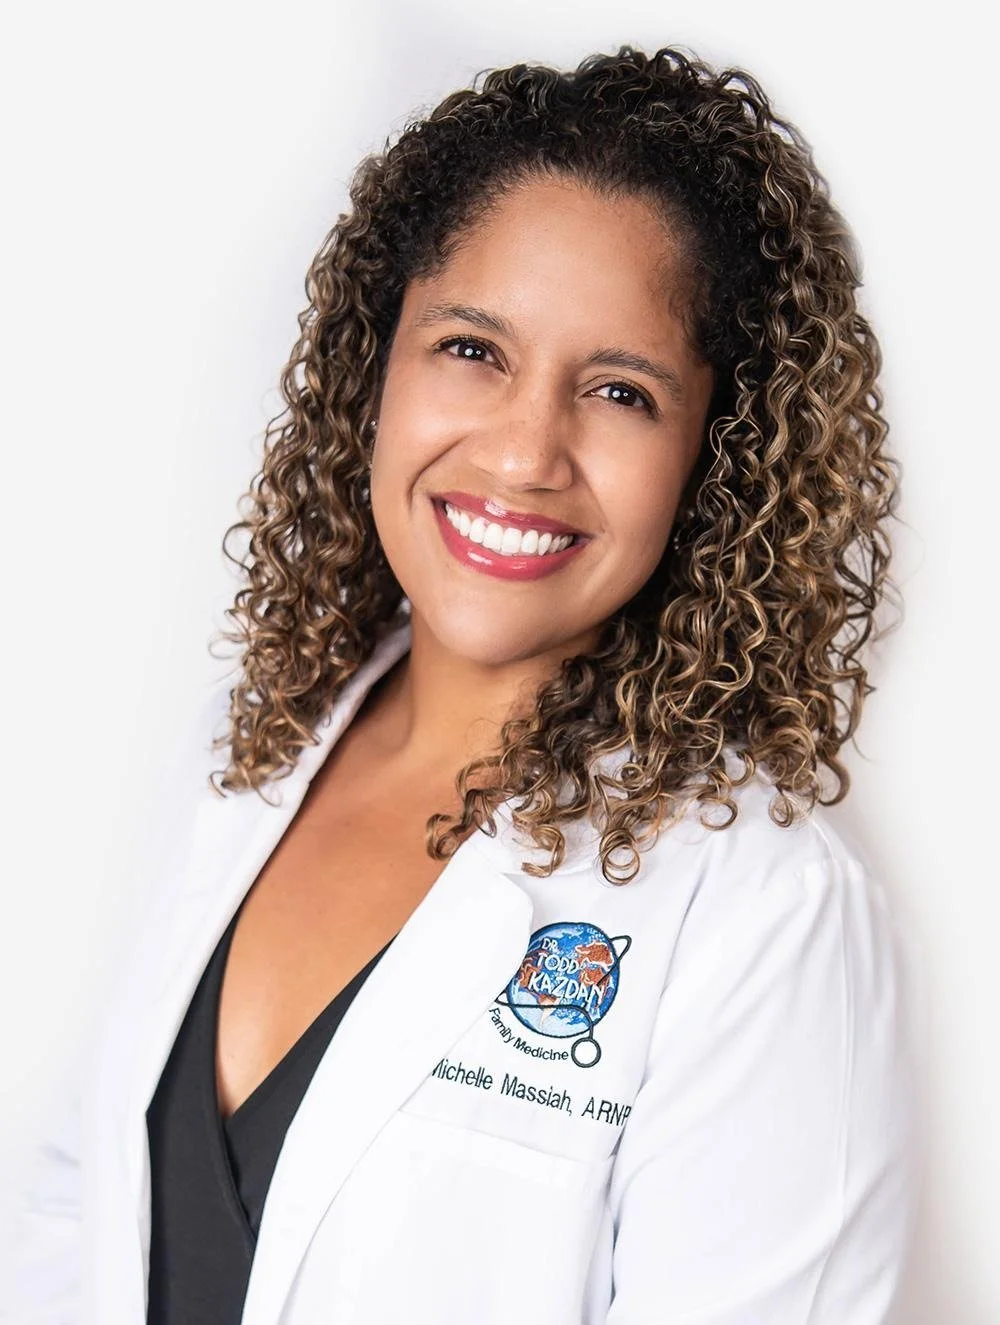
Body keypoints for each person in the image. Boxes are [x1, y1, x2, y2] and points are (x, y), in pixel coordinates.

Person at [8, 42, 919, 1325]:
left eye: (619, 390)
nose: (524, 450)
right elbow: (81, 1212)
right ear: (376, 362)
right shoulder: (255, 745)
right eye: (472, 349)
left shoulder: (760, 909)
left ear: (711, 456)